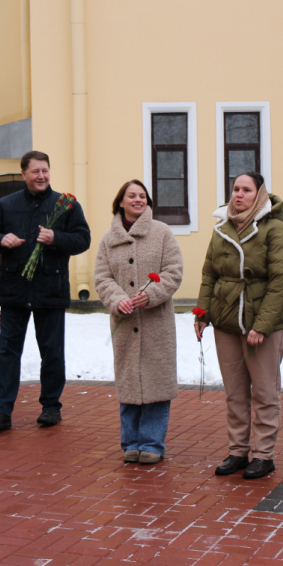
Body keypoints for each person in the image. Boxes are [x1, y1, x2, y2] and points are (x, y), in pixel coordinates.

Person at [194, 172, 283, 480]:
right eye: (235, 189)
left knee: (264, 392)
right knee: (235, 393)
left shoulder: (276, 230)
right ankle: (238, 452)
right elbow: (209, 274)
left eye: (246, 190)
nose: (238, 195)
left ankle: (264, 455)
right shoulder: (221, 229)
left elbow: (281, 283)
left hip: (262, 323)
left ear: (259, 194)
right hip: (226, 322)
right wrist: (201, 313)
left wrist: (262, 326)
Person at [0, 150, 91, 430]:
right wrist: (0, 239)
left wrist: (56, 238)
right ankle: (2, 411)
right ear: (24, 174)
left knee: (52, 353)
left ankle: (51, 407)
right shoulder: (7, 204)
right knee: (8, 352)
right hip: (15, 289)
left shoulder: (65, 205)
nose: (41, 176)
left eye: (45, 170)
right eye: (35, 171)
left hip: (50, 290)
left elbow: (83, 239)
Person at [94, 180, 183, 464]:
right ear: (120, 201)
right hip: (124, 324)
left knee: (156, 382)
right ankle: (131, 443)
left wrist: (152, 294)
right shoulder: (109, 239)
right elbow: (102, 277)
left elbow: (174, 271)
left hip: (156, 323)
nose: (137, 200)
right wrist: (116, 299)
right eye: (131, 196)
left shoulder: (162, 233)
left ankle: (152, 444)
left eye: (142, 196)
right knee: (129, 382)